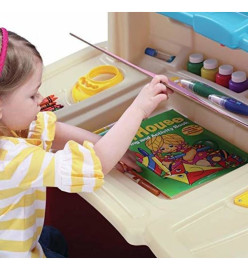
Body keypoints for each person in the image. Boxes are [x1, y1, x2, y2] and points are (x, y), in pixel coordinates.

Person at [0, 28, 172, 258]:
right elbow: (97, 164)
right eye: (32, 95)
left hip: (14, 230)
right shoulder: (11, 158)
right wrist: (139, 108)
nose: (41, 100)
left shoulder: (9, 126)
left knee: (54, 238)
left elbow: (55, 131)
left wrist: (103, 142)